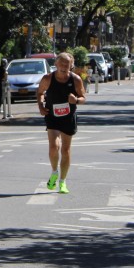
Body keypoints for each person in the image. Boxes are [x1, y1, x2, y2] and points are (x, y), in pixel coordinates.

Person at [36, 52, 86, 194]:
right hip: (52, 116)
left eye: (67, 64)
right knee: (54, 146)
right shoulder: (47, 78)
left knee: (65, 150)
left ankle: (63, 182)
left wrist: (76, 100)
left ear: (71, 65)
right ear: (56, 64)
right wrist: (40, 106)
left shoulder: (76, 80)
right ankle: (54, 172)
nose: (64, 67)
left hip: (68, 117)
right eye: (61, 64)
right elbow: (40, 92)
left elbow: (83, 98)